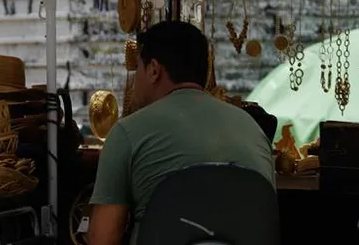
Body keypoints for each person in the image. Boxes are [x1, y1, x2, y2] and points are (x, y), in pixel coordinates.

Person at [87, 21, 275, 245]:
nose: (134, 80)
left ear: (153, 70)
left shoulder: (127, 132)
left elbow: (103, 239)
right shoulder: (252, 129)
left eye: (137, 67)